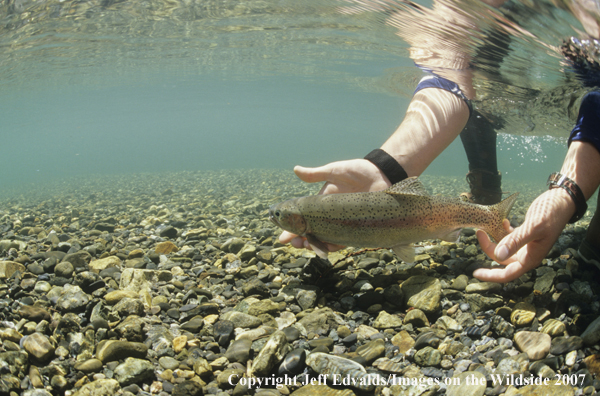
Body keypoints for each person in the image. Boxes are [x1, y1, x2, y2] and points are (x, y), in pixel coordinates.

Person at [280, 0, 600, 283]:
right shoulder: (461, 11)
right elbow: (449, 82)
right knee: (477, 112)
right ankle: (486, 198)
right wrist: (387, 166)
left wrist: (566, 196)